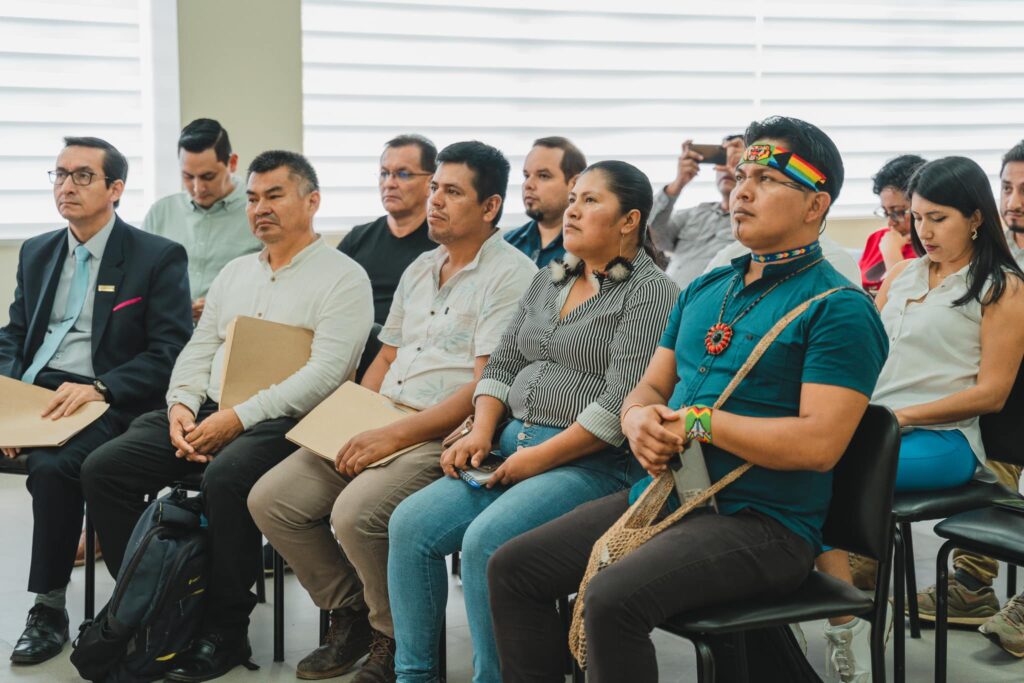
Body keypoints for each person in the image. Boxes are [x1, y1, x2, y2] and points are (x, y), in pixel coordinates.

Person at [487, 116, 889, 683]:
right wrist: (636, 419)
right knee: (513, 567)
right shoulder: (706, 288)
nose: (742, 191)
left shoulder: (838, 308)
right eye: (742, 176)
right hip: (671, 495)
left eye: (766, 180)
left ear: (816, 204)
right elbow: (650, 387)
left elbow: (818, 445)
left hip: (764, 524)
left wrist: (699, 422)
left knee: (611, 598)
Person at [81, 150, 374, 682]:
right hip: (210, 409)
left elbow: (325, 375)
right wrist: (180, 406)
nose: (260, 208)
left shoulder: (343, 278)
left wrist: (237, 418)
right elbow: (198, 348)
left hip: (287, 421)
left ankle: (224, 626)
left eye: (275, 196)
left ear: (312, 201)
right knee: (105, 467)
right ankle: (153, 600)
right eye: (253, 198)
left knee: (227, 476)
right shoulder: (237, 272)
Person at [248, 141, 535, 683]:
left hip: (442, 431)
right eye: (435, 188)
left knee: (356, 513)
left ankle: (393, 635)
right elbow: (385, 356)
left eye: (452, 192)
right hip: (384, 413)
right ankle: (353, 611)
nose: (435, 201)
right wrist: (355, 418)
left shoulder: (512, 276)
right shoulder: (421, 267)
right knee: (272, 499)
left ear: (491, 206)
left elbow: (485, 385)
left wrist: (393, 435)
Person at [387, 160, 679, 683]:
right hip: (509, 446)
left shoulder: (651, 293)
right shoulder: (551, 276)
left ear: (630, 220)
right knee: (409, 525)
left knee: (486, 541)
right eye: (574, 198)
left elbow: (620, 404)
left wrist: (535, 459)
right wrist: (481, 430)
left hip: (591, 464)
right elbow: (502, 363)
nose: (573, 210)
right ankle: (415, 677)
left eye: (591, 201)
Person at [817, 156, 1024, 682]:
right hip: (877, 427)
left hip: (944, 440)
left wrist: (900, 417)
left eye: (938, 218)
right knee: (793, 462)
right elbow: (866, 358)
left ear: (975, 218)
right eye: (916, 217)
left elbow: (992, 394)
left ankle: (851, 615)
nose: (923, 231)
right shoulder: (903, 274)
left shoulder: (1003, 287)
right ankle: (848, 611)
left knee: (814, 473)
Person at [0, 137, 192, 665]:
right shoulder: (37, 251)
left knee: (54, 466)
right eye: (60, 174)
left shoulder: (156, 257)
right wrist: (8, 403)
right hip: (36, 393)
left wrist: (102, 387)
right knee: (45, 455)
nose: (67, 186)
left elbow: (169, 351)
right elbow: (14, 335)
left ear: (116, 189)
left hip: (105, 396)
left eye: (83, 176)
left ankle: (48, 608)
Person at [923, 140, 1024, 658]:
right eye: (1007, 188)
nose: (1015, 202)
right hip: (1000, 408)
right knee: (994, 416)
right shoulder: (994, 258)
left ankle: (972, 580)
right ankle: (971, 580)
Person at [142, 118, 262, 323]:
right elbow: (140, 280)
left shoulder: (260, 211)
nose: (198, 188)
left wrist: (225, 305)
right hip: (168, 329)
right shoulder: (161, 212)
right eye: (188, 177)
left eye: (208, 176)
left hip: (233, 330)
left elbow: (278, 283)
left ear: (232, 163)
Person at [339, 134, 439, 326]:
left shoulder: (442, 244)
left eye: (403, 174)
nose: (389, 183)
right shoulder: (358, 239)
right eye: (384, 173)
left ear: (430, 183)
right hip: (353, 336)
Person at [649, 134, 745, 288]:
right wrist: (678, 183)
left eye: (736, 162)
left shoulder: (755, 221)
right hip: (666, 300)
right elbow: (655, 237)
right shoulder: (693, 214)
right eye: (722, 159)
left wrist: (745, 177)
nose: (727, 168)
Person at [503, 136, 587, 267]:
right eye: (526, 176)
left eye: (543, 176)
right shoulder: (507, 244)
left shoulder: (589, 250)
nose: (528, 184)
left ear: (575, 184)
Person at [857, 155, 926, 294]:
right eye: (886, 212)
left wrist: (891, 253)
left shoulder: (930, 247)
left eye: (898, 212)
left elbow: (908, 297)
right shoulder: (877, 239)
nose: (890, 223)